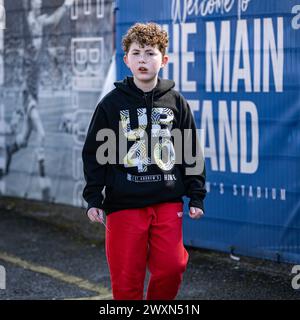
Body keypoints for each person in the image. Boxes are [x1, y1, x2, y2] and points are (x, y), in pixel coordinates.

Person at [82, 22, 206, 300]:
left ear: (164, 59)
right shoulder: (111, 104)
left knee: (172, 267)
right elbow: (94, 154)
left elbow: (190, 150)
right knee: (127, 280)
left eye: (150, 53)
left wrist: (196, 195)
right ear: (126, 60)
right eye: (136, 53)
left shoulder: (176, 102)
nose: (143, 59)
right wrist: (93, 198)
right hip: (124, 204)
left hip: (166, 199)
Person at [5, 0, 74, 199]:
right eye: (34, 2)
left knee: (23, 140)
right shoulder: (32, 21)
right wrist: (66, 6)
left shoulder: (39, 24)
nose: (38, 4)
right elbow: (47, 20)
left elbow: (50, 20)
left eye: (38, 2)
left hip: (33, 94)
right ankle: (46, 189)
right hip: (28, 96)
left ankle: (9, 152)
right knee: (41, 135)